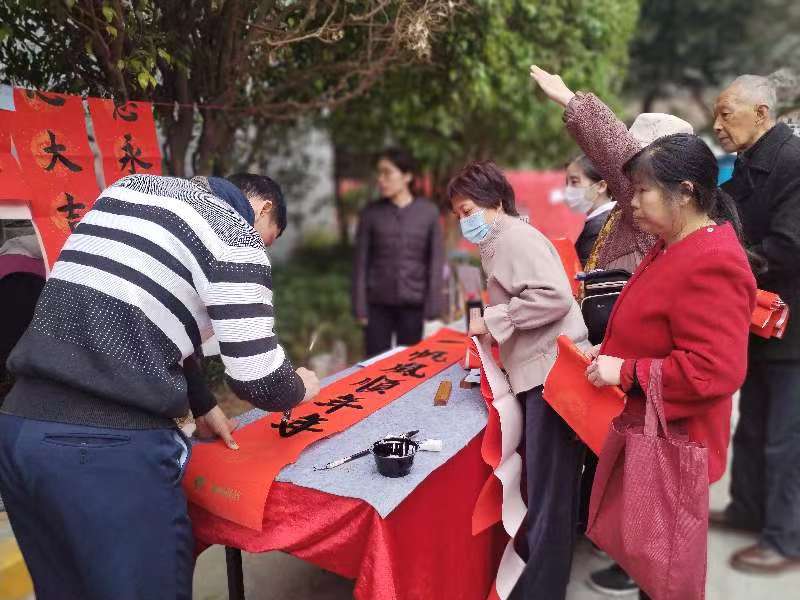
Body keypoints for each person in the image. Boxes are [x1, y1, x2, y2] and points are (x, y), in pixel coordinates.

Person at [0, 173, 321, 600]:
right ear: (263, 210)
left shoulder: (129, 190)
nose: (262, 247)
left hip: (19, 430)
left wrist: (203, 404)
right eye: (269, 238)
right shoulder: (235, 235)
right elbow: (260, 378)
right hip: (103, 450)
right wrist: (300, 387)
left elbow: (138, 316)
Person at [531, 64, 695, 596]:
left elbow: (616, 151)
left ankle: (637, 566)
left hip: (643, 371)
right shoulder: (642, 214)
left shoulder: (659, 218)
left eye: (638, 171)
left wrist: (572, 100)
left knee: (641, 468)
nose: (630, 181)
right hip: (624, 360)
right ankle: (629, 555)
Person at [585, 134, 757, 600]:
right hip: (653, 430)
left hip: (677, 443)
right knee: (649, 563)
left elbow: (712, 370)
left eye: (643, 191)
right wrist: (611, 354)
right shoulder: (673, 243)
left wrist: (626, 371)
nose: (633, 203)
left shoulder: (712, 261)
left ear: (684, 192)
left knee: (665, 574)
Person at [449, 161, 590, 600]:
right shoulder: (499, 241)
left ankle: (542, 589)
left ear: (495, 202)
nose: (464, 221)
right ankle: (542, 578)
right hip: (540, 371)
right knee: (549, 485)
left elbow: (553, 296)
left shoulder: (512, 238)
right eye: (458, 214)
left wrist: (494, 320)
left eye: (467, 210)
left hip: (550, 375)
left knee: (549, 489)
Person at [710, 74, 800, 574]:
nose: (717, 125)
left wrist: (723, 263)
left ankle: (785, 539)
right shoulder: (748, 164)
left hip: (794, 325)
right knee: (753, 424)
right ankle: (747, 509)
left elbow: (789, 246)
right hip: (761, 321)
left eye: (726, 113)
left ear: (761, 113)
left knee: (787, 438)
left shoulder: (794, 162)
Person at [531, 64, 693, 274]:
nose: (631, 172)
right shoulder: (629, 209)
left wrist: (570, 100)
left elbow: (620, 153)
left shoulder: (654, 213)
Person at [352, 148, 444, 357]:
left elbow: (435, 262)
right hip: (377, 305)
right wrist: (360, 308)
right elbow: (360, 264)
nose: (381, 179)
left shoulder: (428, 212)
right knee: (374, 364)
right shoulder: (370, 214)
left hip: (414, 304)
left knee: (410, 362)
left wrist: (433, 309)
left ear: (407, 176)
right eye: (379, 173)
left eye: (387, 173)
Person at [564, 155, 615, 266]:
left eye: (574, 182)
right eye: (567, 183)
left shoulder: (599, 226)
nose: (568, 189)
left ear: (601, 186)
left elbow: (586, 271)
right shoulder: (610, 218)